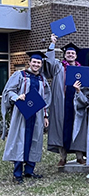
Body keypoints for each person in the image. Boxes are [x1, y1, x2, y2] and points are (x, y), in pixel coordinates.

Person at [1, 51, 51, 184]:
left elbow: (45, 98)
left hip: (37, 114)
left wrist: (45, 116)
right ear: (29, 62)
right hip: (21, 113)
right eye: (34, 62)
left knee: (35, 140)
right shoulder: (20, 75)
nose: (36, 64)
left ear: (41, 64)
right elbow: (9, 91)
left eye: (38, 62)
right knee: (20, 140)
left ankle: (29, 170)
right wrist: (17, 97)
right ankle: (17, 173)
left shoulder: (42, 79)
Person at [44, 34, 86, 166]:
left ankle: (80, 156)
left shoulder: (82, 71)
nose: (70, 55)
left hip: (76, 104)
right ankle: (63, 157)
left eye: (72, 53)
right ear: (64, 55)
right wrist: (52, 44)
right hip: (61, 103)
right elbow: (48, 61)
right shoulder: (58, 67)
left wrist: (80, 95)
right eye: (68, 53)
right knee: (61, 129)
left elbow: (86, 89)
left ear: (76, 55)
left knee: (78, 128)